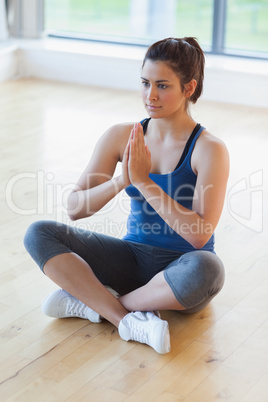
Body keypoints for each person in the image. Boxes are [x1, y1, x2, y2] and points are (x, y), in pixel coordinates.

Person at [24, 37, 229, 354]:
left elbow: (199, 236)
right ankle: (125, 318)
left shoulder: (209, 149)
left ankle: (94, 303)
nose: (150, 96)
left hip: (181, 270)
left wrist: (145, 182)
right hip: (130, 259)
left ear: (189, 88)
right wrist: (123, 179)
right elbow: (75, 208)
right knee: (39, 233)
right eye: (145, 83)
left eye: (162, 86)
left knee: (210, 269)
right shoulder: (121, 136)